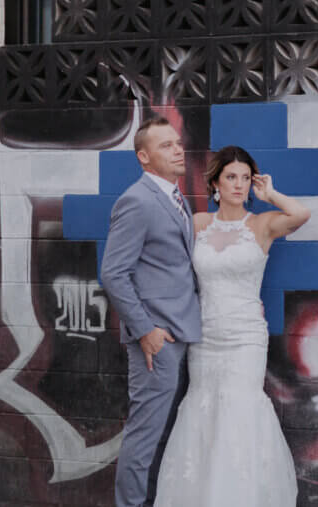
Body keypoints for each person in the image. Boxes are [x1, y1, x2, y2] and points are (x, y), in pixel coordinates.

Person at [153, 145, 310, 507]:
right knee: (203, 411)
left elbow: (301, 213)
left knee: (239, 412)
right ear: (215, 183)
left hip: (245, 340)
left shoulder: (262, 224)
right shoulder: (197, 224)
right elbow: (167, 269)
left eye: (244, 178)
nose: (238, 185)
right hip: (204, 337)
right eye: (230, 177)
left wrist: (269, 194)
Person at [102, 115, 202, 507]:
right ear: (144, 156)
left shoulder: (178, 199)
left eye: (177, 142)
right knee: (144, 436)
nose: (178, 149)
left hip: (182, 333)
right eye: (165, 145)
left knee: (161, 434)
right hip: (156, 341)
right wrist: (146, 330)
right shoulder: (137, 200)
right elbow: (113, 273)